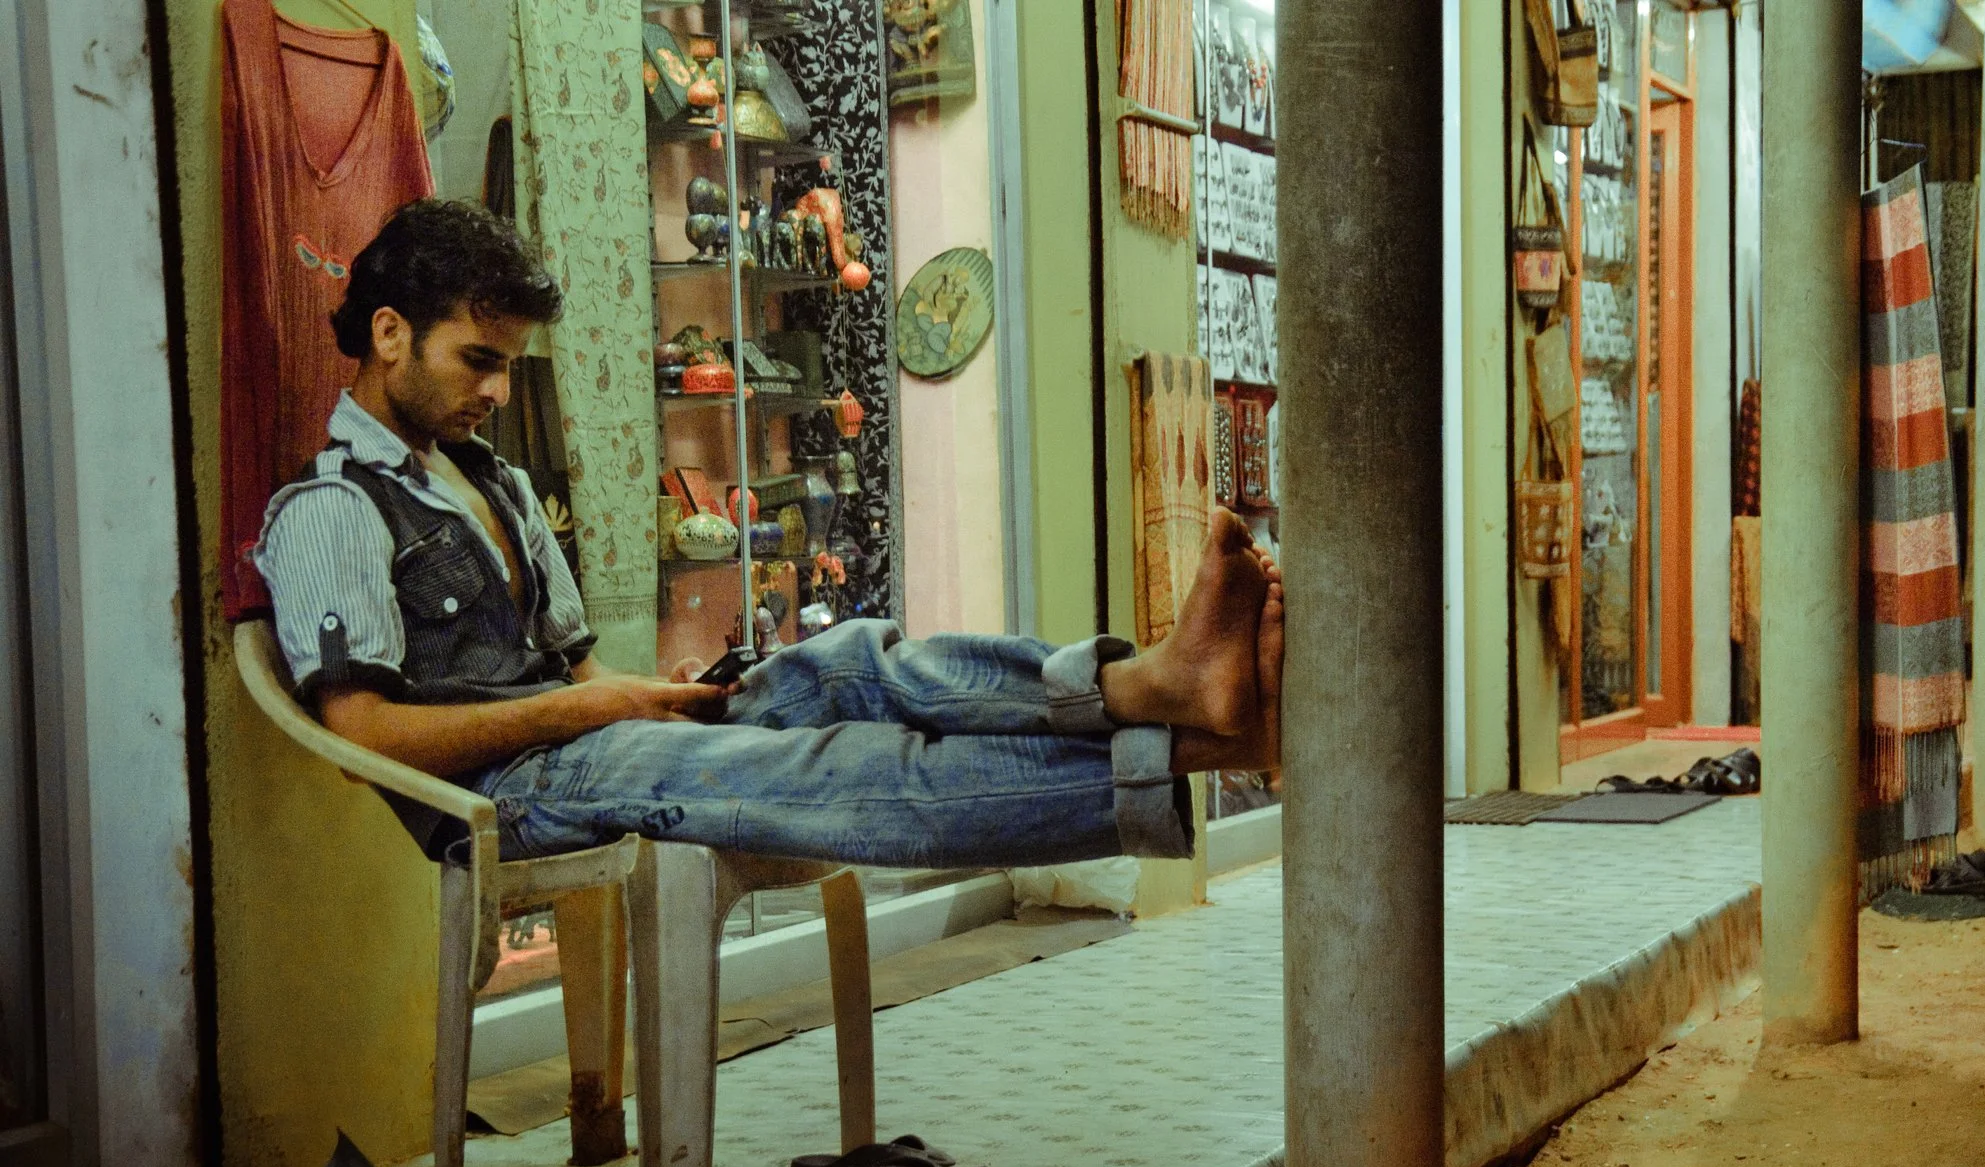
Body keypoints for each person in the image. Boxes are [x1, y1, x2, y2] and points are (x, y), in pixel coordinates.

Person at [255, 198, 1281, 871]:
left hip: (588, 740)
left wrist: (644, 696)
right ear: (389, 333)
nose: (494, 390)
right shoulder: (330, 509)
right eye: (476, 359)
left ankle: (1151, 686)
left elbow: (575, 669)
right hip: (503, 801)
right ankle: (1193, 745)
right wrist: (590, 709)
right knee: (839, 763)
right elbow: (363, 741)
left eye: (508, 366)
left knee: (852, 659)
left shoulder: (491, 478)